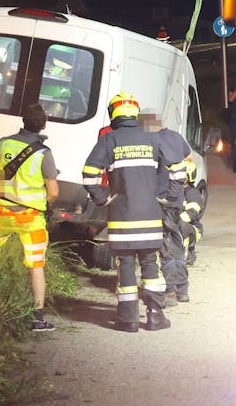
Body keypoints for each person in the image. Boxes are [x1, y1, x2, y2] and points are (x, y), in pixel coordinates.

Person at [83, 91, 170, 332]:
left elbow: (89, 174)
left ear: (114, 114)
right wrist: (158, 195)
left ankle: (128, 319)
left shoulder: (109, 141)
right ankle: (155, 316)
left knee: (126, 265)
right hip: (150, 216)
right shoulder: (153, 139)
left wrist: (102, 200)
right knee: (151, 264)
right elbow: (168, 171)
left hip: (121, 217)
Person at [0, 102, 58, 332]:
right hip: (30, 219)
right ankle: (38, 318)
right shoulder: (43, 153)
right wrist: (45, 203)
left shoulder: (3, 143)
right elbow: (54, 191)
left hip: (3, 211)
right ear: (43, 124)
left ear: (23, 121)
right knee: (35, 264)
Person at [151, 119, 199, 306]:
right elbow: (189, 159)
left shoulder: (152, 140)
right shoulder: (176, 137)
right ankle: (183, 289)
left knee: (165, 246)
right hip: (177, 199)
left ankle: (170, 291)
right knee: (178, 245)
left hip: (162, 199)